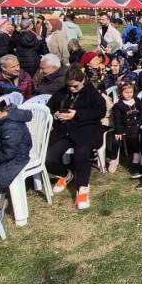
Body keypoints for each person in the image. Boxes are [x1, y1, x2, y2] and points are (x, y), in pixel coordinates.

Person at [46, 66, 106, 210]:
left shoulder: (92, 93)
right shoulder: (62, 92)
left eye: (75, 86)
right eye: (69, 86)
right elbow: (50, 107)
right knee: (48, 157)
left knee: (81, 154)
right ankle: (65, 174)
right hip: (64, 131)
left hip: (86, 131)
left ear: (83, 81)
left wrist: (76, 114)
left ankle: (83, 188)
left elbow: (100, 112)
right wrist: (55, 114)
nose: (72, 89)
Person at [0, 100, 33, 215]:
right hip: (12, 151)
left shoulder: (11, 127)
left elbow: (8, 153)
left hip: (17, 157)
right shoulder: (7, 120)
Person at [112, 82, 142, 176]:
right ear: (121, 93)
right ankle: (131, 161)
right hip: (126, 127)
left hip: (138, 125)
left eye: (130, 92)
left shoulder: (137, 101)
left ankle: (139, 159)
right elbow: (117, 120)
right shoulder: (118, 106)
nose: (129, 94)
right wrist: (118, 131)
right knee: (123, 139)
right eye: (126, 92)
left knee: (139, 135)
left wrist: (140, 123)